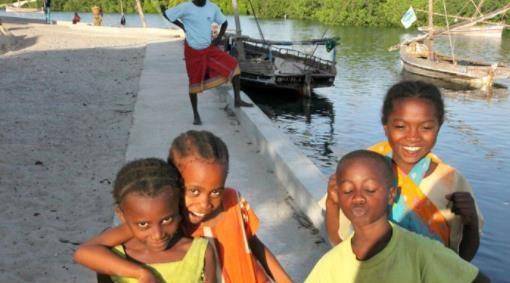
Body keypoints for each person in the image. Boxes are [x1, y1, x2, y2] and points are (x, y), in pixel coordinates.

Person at [75, 130, 292, 283]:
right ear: (175, 185)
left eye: (215, 190)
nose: (205, 203)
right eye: (194, 191)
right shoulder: (166, 220)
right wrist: (140, 273)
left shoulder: (232, 201)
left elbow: (253, 243)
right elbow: (89, 250)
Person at [324, 81, 483, 261]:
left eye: (426, 127)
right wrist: (332, 202)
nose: (413, 137)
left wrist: (471, 222)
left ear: (439, 127)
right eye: (400, 126)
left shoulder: (452, 181)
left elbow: (462, 260)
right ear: (386, 127)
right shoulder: (364, 172)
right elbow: (338, 242)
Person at [306, 150, 489, 283]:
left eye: (369, 189)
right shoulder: (331, 263)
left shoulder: (421, 251)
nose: (358, 197)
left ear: (391, 195)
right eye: (347, 190)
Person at [73, 158, 216, 283]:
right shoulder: (114, 256)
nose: (158, 234)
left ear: (178, 208)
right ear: (122, 216)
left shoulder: (200, 253)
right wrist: (142, 274)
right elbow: (82, 253)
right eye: (143, 224)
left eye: (166, 220)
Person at [161, 0, 253, 125]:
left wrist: (218, 38)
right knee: (193, 82)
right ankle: (196, 115)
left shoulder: (212, 7)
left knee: (234, 66)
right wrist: (183, 26)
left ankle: (237, 99)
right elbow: (167, 14)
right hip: (192, 51)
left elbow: (224, 22)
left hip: (209, 48)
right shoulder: (185, 7)